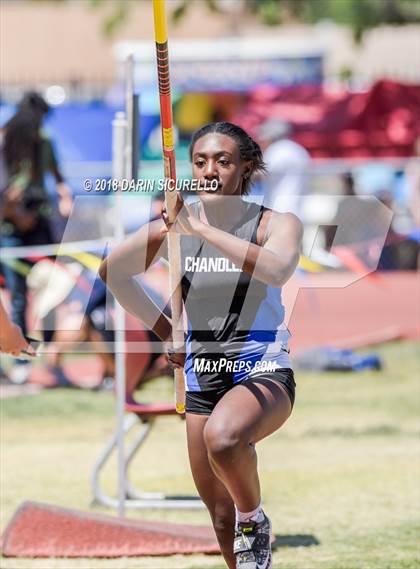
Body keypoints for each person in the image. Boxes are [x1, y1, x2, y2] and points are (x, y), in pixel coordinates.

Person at [99, 122, 302, 569]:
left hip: (261, 367)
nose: (210, 170)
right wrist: (165, 327)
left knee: (225, 439)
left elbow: (277, 269)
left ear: (246, 167)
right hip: (202, 372)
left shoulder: (275, 223)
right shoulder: (175, 228)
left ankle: (256, 519)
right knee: (220, 516)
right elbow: (112, 271)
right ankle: (245, 538)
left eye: (223, 161)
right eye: (200, 161)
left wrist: (201, 229)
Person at [0, 92, 72, 383]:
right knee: (16, 294)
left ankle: (50, 358)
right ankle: (18, 359)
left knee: (54, 289)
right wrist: (15, 215)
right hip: (11, 230)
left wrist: (64, 199)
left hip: (40, 226)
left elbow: (58, 178)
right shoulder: (6, 140)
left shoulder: (43, 141)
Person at [258, 118, 310, 218]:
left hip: (279, 211)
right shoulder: (299, 149)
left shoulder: (278, 149)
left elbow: (258, 174)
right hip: (299, 210)